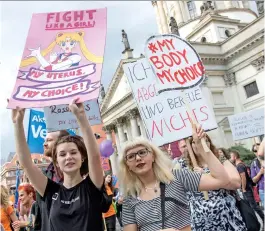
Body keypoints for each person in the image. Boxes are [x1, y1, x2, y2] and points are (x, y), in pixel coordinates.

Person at [12, 98, 111, 231]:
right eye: (62, 154)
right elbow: (27, 164)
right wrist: (18, 123)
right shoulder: (50, 190)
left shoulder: (91, 185)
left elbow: (94, 155)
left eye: (73, 152)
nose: (68, 157)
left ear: (82, 158)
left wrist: (81, 117)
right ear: (57, 162)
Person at [119, 124, 241, 231]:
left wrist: (202, 147)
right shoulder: (130, 199)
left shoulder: (177, 177)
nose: (138, 158)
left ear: (153, 156)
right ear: (127, 166)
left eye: (142, 152)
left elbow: (222, 180)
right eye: (131, 156)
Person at [185, 137, 246, 231]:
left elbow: (236, 183)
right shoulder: (183, 167)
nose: (199, 144)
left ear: (209, 143)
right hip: (201, 222)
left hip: (227, 217)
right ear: (190, 145)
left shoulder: (221, 160)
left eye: (204, 140)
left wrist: (206, 177)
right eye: (194, 142)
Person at [34, 130, 69, 231]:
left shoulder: (78, 172)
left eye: (49, 140)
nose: (44, 144)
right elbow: (40, 210)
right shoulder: (45, 175)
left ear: (61, 142)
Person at [20, 31, 103, 70]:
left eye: (71, 43)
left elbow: (50, 68)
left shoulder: (76, 57)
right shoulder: (56, 56)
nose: (67, 46)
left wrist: (38, 55)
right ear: (59, 44)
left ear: (75, 44)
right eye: (63, 44)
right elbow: (46, 68)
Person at [230, 150, 264, 221]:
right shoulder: (241, 164)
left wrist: (243, 188)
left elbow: (243, 177)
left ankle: (263, 219)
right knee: (252, 206)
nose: (230, 158)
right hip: (247, 188)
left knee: (253, 206)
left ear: (235, 157)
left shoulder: (239, 166)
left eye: (231, 156)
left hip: (246, 189)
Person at [251, 139, 264, 207]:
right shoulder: (254, 163)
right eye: (255, 151)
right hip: (263, 190)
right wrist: (260, 173)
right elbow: (254, 180)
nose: (258, 152)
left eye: (259, 149)